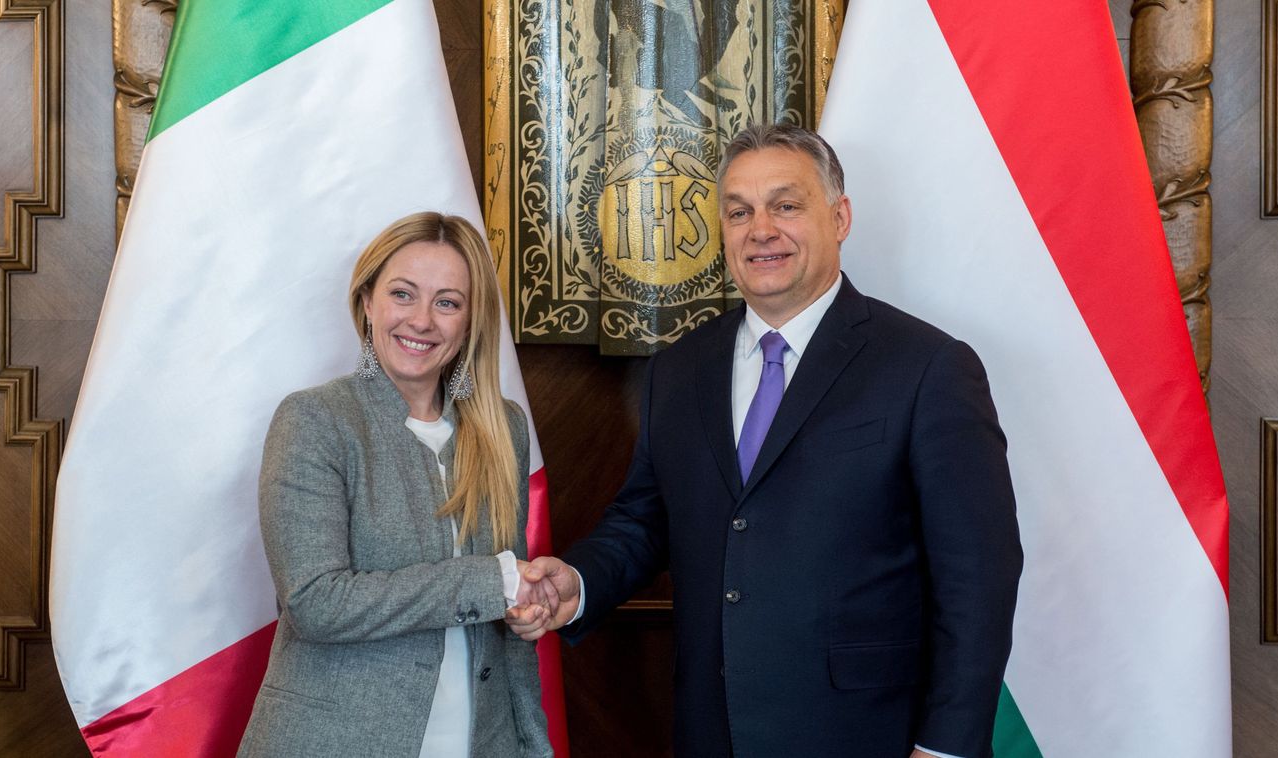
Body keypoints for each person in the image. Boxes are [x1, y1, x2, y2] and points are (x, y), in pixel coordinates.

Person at [512, 124, 1023, 758]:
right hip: (711, 730)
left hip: (868, 736)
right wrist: (579, 580)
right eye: (739, 211)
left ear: (839, 217)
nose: (760, 230)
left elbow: (978, 578)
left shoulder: (928, 368)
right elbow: (646, 519)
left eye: (785, 205)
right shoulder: (678, 370)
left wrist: (946, 747)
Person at [238, 212, 552, 758]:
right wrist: (491, 582)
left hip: (482, 742)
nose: (422, 320)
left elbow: (504, 612)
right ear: (367, 302)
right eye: (402, 294)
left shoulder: (504, 428)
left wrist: (531, 739)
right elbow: (315, 602)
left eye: (447, 302)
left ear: (471, 320)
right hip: (334, 743)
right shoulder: (315, 421)